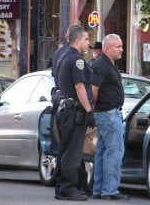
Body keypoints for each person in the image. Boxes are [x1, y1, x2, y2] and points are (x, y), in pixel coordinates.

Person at [52, 24, 95, 201]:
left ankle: (61, 187)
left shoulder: (63, 56)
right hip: (72, 110)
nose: (88, 43)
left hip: (65, 109)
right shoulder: (76, 60)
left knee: (65, 149)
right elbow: (79, 87)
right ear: (77, 40)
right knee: (72, 152)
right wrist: (88, 109)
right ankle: (68, 188)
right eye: (86, 39)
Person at [91, 34, 129, 200]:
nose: (121, 49)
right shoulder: (101, 65)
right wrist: (93, 108)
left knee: (103, 151)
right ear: (107, 48)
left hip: (110, 113)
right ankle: (110, 190)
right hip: (108, 113)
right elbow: (94, 89)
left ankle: (99, 189)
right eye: (117, 47)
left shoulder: (109, 64)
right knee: (114, 151)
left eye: (121, 46)